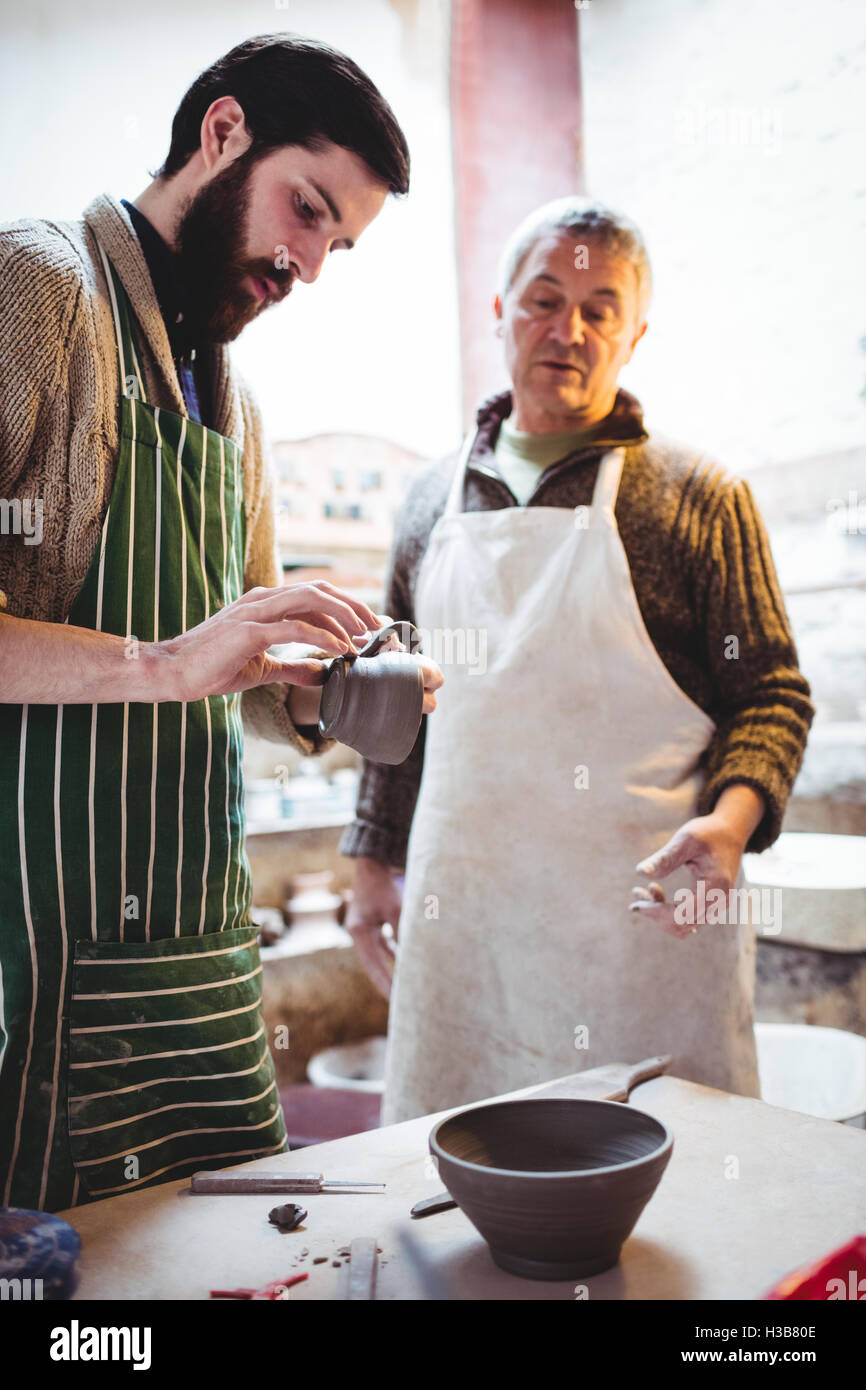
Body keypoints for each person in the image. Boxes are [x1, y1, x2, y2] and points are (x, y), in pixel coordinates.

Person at [0, 33, 440, 1211]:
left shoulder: (234, 404)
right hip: (35, 951)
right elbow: (177, 662)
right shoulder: (38, 289)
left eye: (336, 243)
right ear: (222, 132)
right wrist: (162, 660)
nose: (308, 266)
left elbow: (234, 675)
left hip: (193, 956)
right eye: (307, 210)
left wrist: (323, 687)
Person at [343, 196, 815, 1123]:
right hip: (467, 933)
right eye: (545, 299)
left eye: (602, 310)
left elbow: (770, 693)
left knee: (660, 1174)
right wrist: (370, 868)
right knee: (452, 1172)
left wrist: (730, 826)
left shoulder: (698, 496)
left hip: (642, 934)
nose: (570, 330)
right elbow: (390, 709)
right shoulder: (430, 501)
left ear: (635, 335)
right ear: (500, 310)